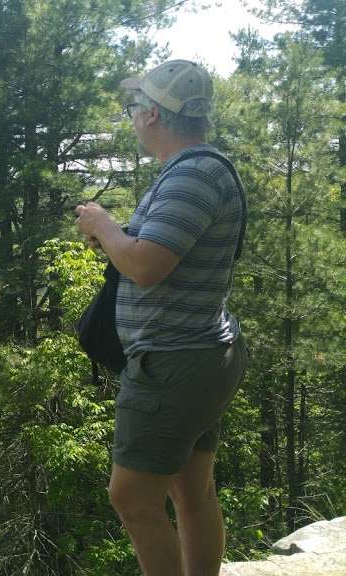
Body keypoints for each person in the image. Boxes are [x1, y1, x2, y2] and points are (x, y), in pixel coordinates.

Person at [74, 60, 249, 576]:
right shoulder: (195, 171)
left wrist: (106, 227)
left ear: (152, 113)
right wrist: (118, 236)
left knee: (131, 498)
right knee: (190, 489)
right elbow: (161, 252)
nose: (131, 117)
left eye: (133, 108)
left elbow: (148, 265)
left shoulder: (194, 173)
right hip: (198, 351)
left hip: (173, 361)